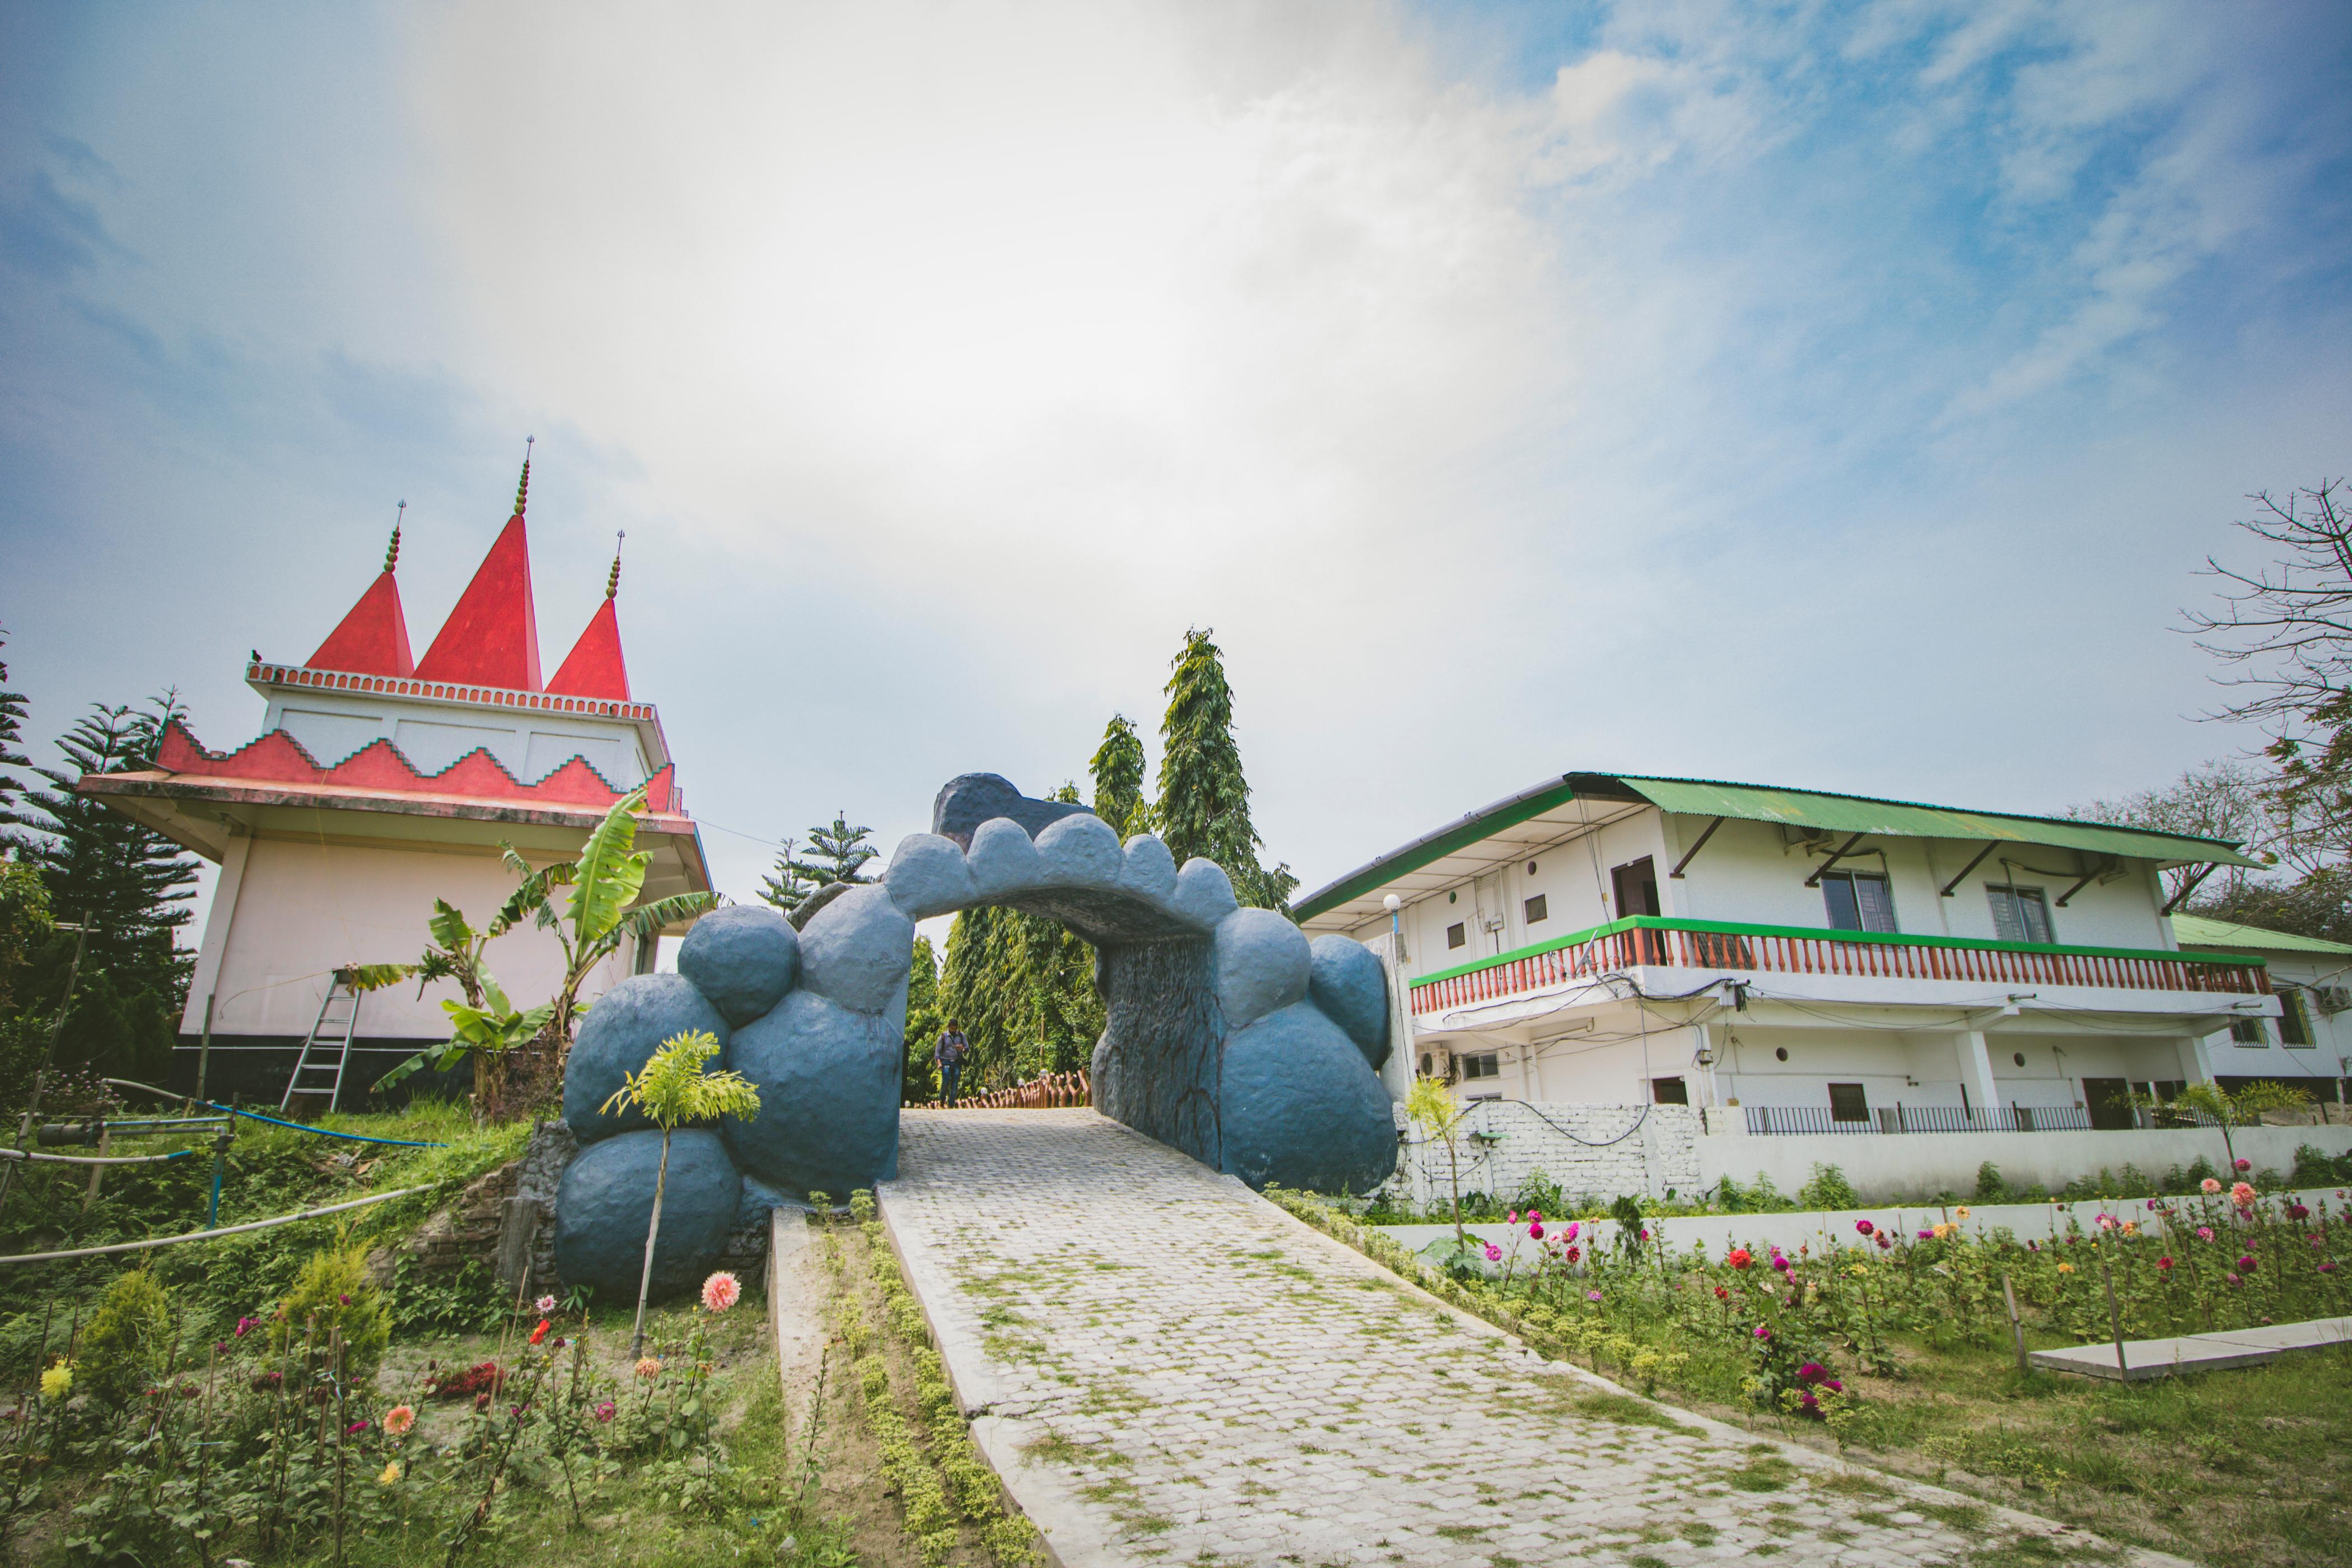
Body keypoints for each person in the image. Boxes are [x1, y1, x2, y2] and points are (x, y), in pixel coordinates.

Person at [935, 1021, 970, 1106]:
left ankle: (951, 1105)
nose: (953, 1030)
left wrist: (962, 1049)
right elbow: (937, 1052)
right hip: (946, 1061)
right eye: (952, 1029)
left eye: (955, 1029)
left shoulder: (961, 1035)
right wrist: (939, 1063)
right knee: (946, 1080)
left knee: (955, 1084)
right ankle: (942, 1101)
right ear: (948, 1027)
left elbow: (967, 1048)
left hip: (957, 1062)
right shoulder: (944, 1037)